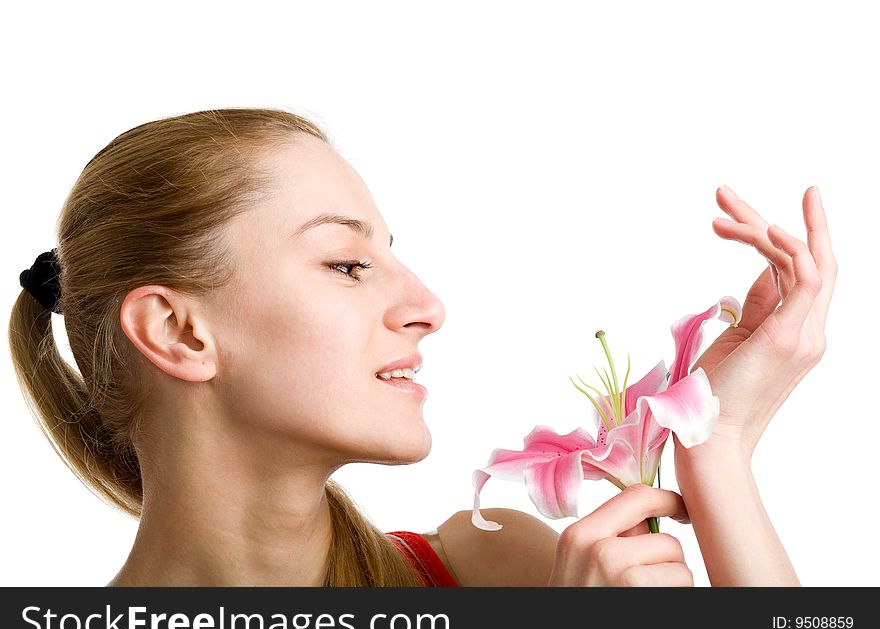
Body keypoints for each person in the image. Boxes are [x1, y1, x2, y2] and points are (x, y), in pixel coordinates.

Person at [9, 108, 836, 587]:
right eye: (347, 264)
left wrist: (715, 445)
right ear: (178, 331)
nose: (427, 306)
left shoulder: (493, 567)